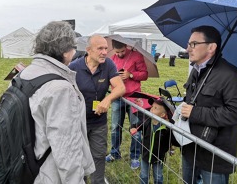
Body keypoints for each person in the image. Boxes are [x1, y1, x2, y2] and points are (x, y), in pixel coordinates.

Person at [19, 21, 95, 183]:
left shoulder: (24, 75)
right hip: (48, 174)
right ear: (66, 52)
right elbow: (67, 149)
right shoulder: (60, 89)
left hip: (25, 166)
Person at [181, 25, 237, 184]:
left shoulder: (231, 75)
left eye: (193, 44)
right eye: (188, 44)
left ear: (211, 47)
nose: (187, 49)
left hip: (214, 156)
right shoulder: (196, 71)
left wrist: (195, 113)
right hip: (191, 147)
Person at [69, 35, 125, 184]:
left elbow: (120, 87)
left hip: (99, 122)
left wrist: (107, 99)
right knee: (78, 156)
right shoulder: (74, 67)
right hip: (78, 122)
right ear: (88, 50)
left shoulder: (108, 65)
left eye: (106, 48)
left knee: (98, 156)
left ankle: (98, 181)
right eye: (100, 48)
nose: (104, 52)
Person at [105, 40, 148, 169]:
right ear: (113, 49)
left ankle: (135, 156)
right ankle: (114, 153)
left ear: (126, 46)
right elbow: (109, 77)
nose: (120, 54)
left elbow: (145, 75)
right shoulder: (112, 59)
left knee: (135, 128)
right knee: (114, 127)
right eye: (117, 52)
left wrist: (131, 74)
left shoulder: (136, 56)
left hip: (134, 98)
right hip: (118, 97)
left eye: (122, 51)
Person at [130, 96, 178, 184]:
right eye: (152, 106)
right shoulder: (147, 121)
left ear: (162, 115)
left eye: (155, 108)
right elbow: (136, 125)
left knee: (158, 177)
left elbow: (173, 141)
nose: (151, 109)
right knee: (144, 175)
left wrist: (171, 147)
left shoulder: (166, 128)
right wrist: (133, 128)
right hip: (145, 154)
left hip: (158, 157)